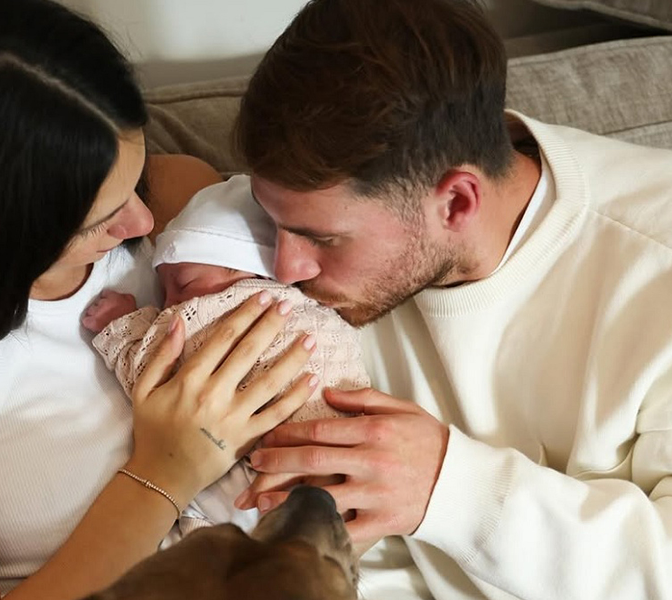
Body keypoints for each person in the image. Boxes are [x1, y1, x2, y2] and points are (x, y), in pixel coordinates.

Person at [0, 1, 318, 599]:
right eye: (96, 221)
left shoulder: (185, 200)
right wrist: (166, 471)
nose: (143, 223)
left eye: (135, 176)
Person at [231, 0, 672, 598]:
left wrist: (451, 487)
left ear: (458, 202)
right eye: (272, 222)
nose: (286, 269)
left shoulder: (653, 266)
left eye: (322, 239)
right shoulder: (339, 206)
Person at [81, 174, 369, 544]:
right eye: (164, 291)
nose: (169, 305)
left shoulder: (236, 307)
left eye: (184, 284)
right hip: (323, 494)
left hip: (269, 478)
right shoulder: (325, 317)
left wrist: (122, 326)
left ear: (253, 272)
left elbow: (158, 384)